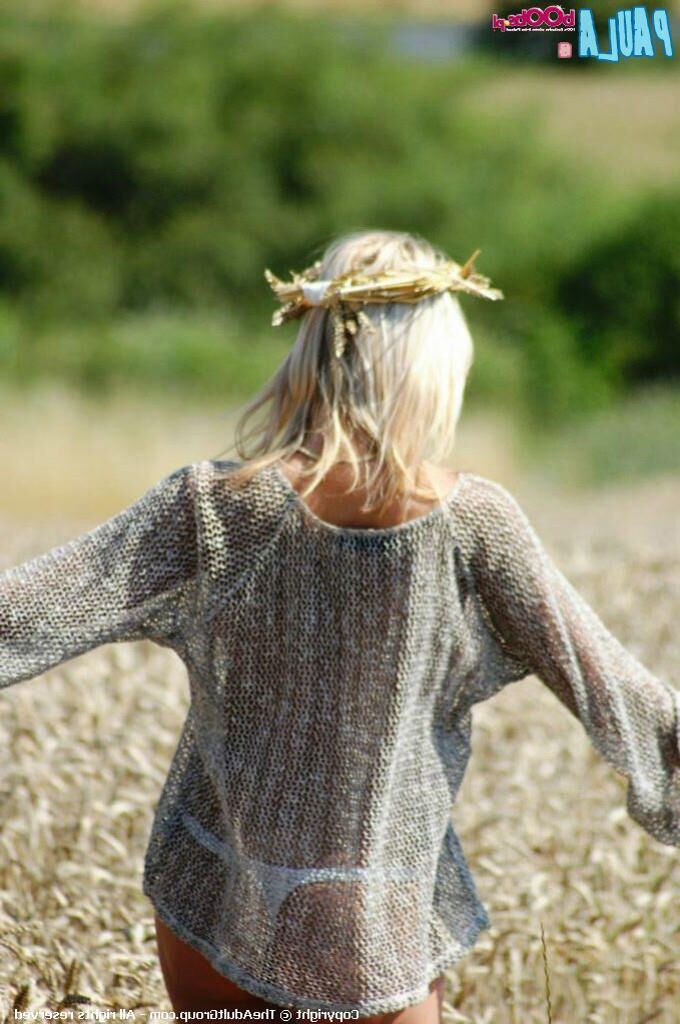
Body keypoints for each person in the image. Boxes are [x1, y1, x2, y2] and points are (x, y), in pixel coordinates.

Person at [0, 230, 678, 1023]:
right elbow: (618, 692)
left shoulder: (213, 505)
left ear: (315, 345)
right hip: (372, 922)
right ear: (430, 369)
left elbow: (23, 612)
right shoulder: (474, 524)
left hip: (214, 895)